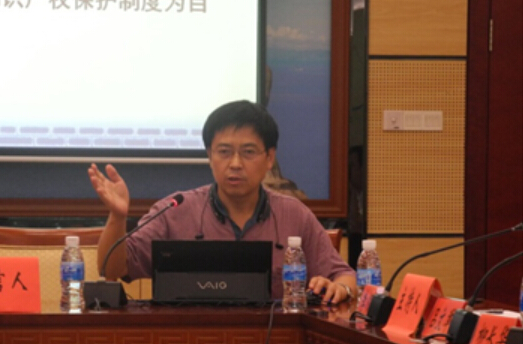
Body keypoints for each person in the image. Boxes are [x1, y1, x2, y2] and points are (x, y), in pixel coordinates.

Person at [88, 100, 356, 304]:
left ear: (269, 158)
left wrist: (339, 288)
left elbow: (345, 276)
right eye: (224, 152)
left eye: (248, 152)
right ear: (210, 155)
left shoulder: (293, 214)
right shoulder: (176, 210)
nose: (235, 164)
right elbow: (111, 267)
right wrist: (117, 217)